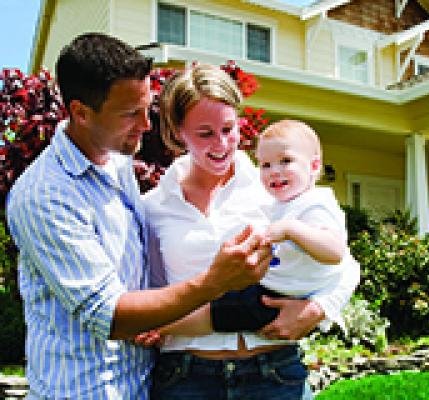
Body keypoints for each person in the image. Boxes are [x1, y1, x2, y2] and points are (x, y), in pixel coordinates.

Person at [6, 33, 274, 399]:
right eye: (131, 114)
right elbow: (110, 314)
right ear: (81, 112)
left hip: (142, 384)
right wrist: (215, 282)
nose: (146, 125)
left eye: (146, 108)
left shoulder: (117, 165)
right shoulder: (44, 195)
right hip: (82, 390)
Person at [143, 64, 360, 399]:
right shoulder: (153, 208)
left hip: (273, 372)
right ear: (177, 131)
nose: (222, 144)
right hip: (187, 378)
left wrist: (319, 310)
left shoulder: (274, 187)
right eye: (205, 133)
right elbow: (150, 291)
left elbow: (346, 263)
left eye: (229, 129)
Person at [156, 119, 351, 337]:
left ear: (314, 166)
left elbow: (336, 253)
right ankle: (160, 325)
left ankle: (160, 328)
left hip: (285, 296)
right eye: (266, 165)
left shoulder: (314, 203)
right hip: (274, 288)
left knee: (221, 312)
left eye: (285, 161)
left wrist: (290, 229)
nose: (274, 171)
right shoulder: (277, 203)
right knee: (223, 304)